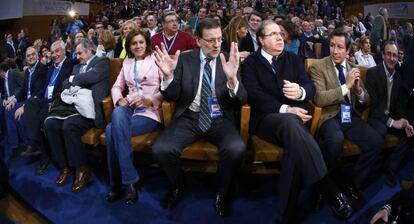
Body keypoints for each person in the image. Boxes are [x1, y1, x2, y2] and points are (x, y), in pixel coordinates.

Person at [242, 20, 354, 222]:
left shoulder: (292, 59)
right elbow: (254, 94)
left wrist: (301, 92)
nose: (279, 37)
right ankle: (328, 188)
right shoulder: (251, 63)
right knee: (290, 122)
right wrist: (286, 108)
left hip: (294, 123)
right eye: (273, 34)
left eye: (280, 33)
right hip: (265, 120)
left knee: (294, 145)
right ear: (261, 40)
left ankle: (286, 215)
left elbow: (310, 87)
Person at [152, 18, 247, 217]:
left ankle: (222, 191)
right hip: (190, 117)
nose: (216, 44)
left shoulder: (229, 59)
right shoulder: (186, 60)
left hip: (219, 118)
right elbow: (172, 95)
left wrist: (232, 81)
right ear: (198, 41)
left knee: (236, 148)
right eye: (210, 40)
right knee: (161, 149)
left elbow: (242, 99)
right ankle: (179, 184)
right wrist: (168, 77)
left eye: (219, 39)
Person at [310, 28, 384, 200]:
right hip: (329, 116)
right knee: (335, 141)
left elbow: (366, 101)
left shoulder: (353, 67)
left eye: (340, 47)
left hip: (349, 116)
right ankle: (322, 186)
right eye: (332, 46)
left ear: (348, 50)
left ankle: (352, 183)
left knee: (376, 142)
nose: (335, 51)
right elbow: (319, 98)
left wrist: (358, 90)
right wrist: (346, 87)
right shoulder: (318, 67)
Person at [105, 30, 163, 205]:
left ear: (147, 43)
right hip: (129, 107)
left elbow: (165, 89)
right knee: (117, 112)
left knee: (110, 130)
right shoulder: (127, 62)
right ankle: (130, 180)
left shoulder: (156, 60)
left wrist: (149, 100)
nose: (138, 46)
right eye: (134, 43)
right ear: (129, 46)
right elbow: (116, 87)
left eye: (141, 42)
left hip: (149, 111)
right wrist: (119, 100)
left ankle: (117, 184)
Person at [43, 39, 109, 192]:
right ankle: (65, 166)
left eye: (80, 53)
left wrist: (75, 80)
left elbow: (90, 78)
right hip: (73, 107)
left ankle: (81, 168)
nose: (77, 56)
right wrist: (76, 81)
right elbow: (65, 84)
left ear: (89, 51)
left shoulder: (102, 62)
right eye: (76, 53)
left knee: (69, 126)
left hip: (91, 110)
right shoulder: (77, 67)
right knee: (50, 123)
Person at [365, 41, 414, 187]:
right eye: (389, 54)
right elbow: (373, 107)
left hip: (389, 117)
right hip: (375, 117)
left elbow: (398, 106)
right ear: (383, 55)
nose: (392, 58)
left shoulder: (398, 78)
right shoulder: (373, 73)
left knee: (409, 131)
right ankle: (370, 168)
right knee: (381, 130)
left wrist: (404, 121)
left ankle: (389, 167)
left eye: (395, 55)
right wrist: (393, 122)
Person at [23, 40, 73, 174]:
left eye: (58, 51)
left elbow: (68, 87)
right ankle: (35, 144)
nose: (55, 54)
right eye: (53, 52)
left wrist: (54, 101)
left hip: (57, 101)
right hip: (44, 100)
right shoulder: (51, 67)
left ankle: (43, 155)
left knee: (40, 120)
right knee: (30, 103)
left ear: (64, 51)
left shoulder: (70, 64)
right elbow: (44, 87)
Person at [5, 47, 47, 156]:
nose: (31, 57)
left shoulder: (42, 68)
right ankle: (14, 145)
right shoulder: (28, 71)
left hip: (36, 101)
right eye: (28, 56)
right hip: (27, 100)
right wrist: (14, 98)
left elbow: (40, 91)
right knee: (9, 109)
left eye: (33, 54)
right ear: (26, 59)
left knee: (19, 116)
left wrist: (24, 107)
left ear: (37, 55)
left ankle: (33, 145)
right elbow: (23, 89)